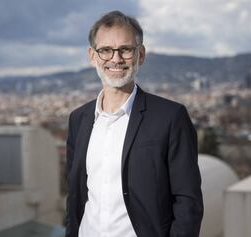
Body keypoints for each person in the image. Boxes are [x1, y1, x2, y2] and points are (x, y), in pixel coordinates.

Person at [66, 10, 203, 237]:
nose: (116, 59)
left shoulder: (170, 117)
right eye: (106, 50)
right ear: (93, 56)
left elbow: (188, 202)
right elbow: (75, 195)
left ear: (140, 55)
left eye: (126, 49)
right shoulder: (78, 119)